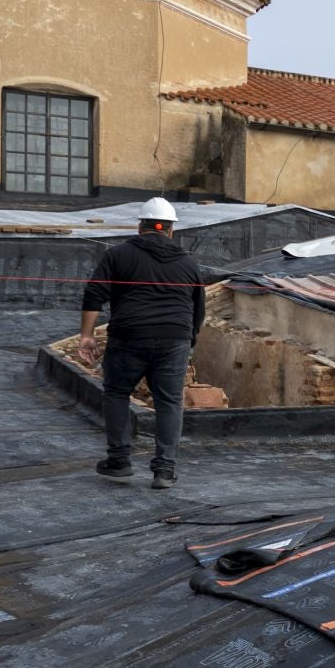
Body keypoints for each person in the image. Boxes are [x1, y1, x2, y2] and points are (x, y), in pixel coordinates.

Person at [77, 197, 205, 489]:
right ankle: (164, 470)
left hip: (129, 336)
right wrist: (189, 341)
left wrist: (87, 336)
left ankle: (119, 461)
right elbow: (198, 309)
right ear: (171, 230)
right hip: (175, 339)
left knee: (117, 392)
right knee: (169, 402)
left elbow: (94, 295)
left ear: (140, 227)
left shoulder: (118, 255)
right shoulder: (188, 263)